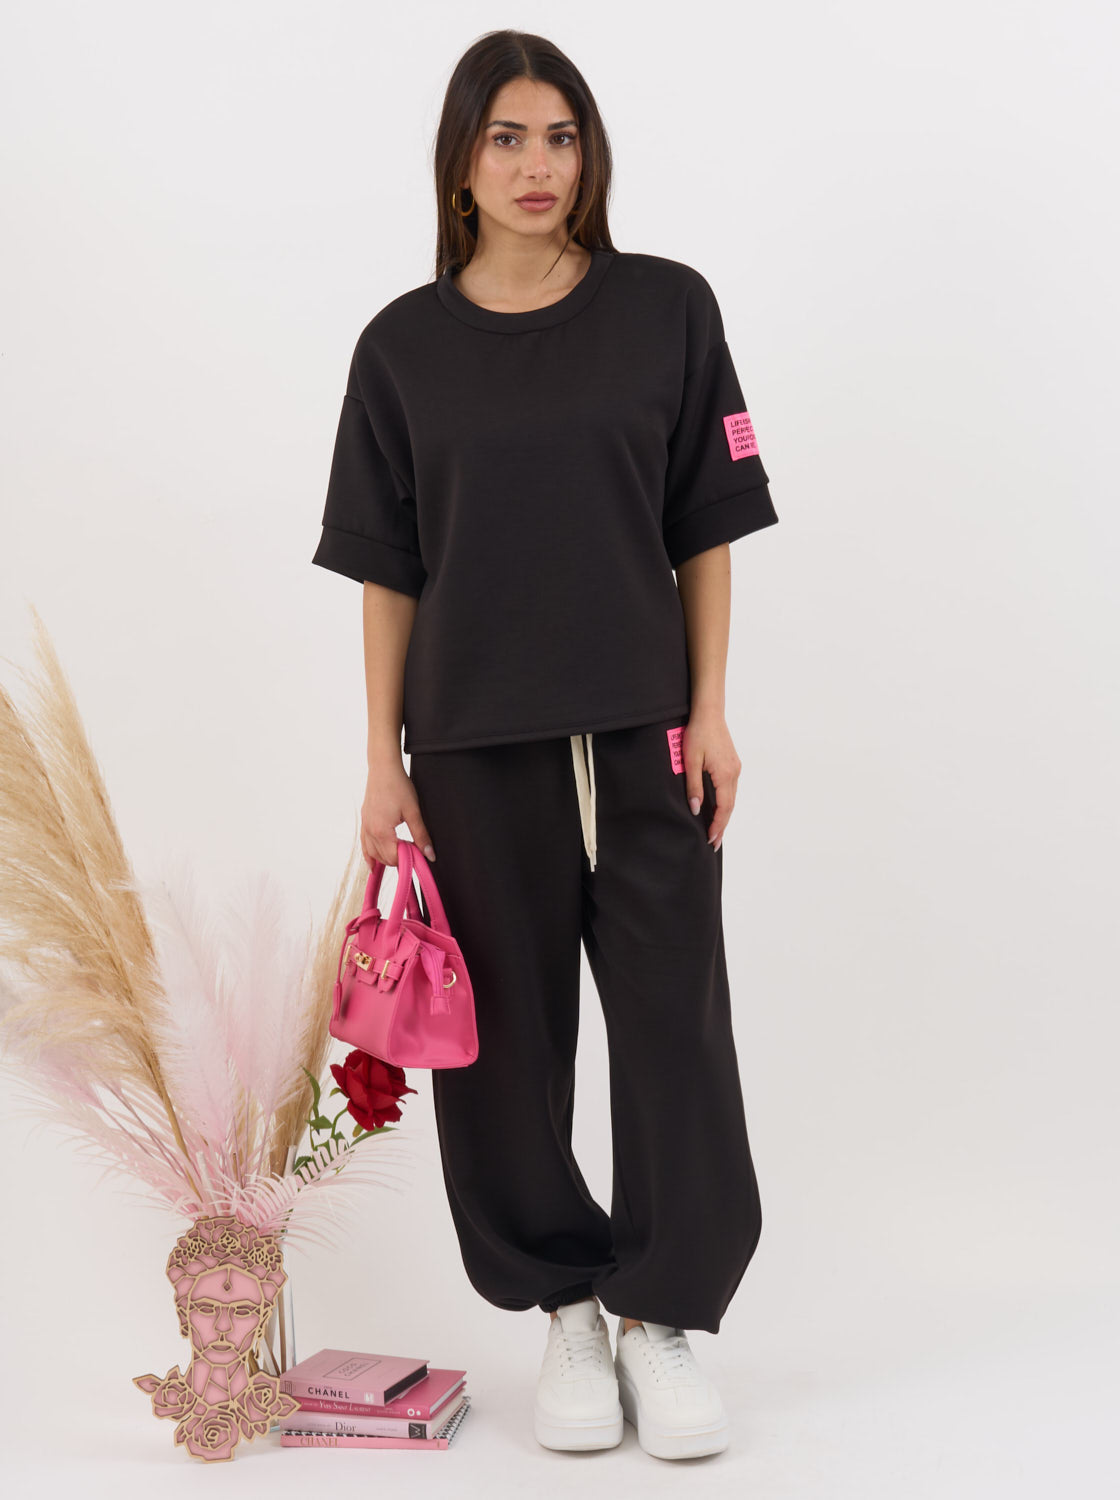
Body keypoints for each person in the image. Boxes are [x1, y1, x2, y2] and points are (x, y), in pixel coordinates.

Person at [310, 29, 778, 1463]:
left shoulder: (667, 310)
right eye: (506, 137)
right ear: (460, 163)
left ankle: (661, 1317)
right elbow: (388, 568)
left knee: (675, 1029)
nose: (537, 165)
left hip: (645, 739)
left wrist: (711, 707)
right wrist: (381, 757)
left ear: (591, 154)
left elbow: (705, 526)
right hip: (471, 748)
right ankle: (567, 1306)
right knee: (503, 1049)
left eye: (561, 136)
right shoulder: (401, 348)